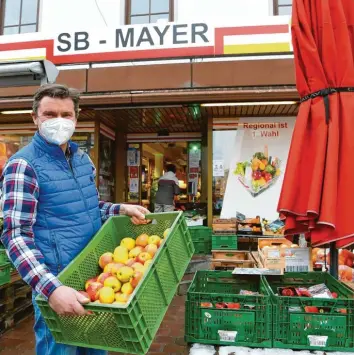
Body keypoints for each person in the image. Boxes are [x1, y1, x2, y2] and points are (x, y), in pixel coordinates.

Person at [0, 84, 149, 355]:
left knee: (96, 349)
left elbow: (86, 209)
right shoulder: (23, 166)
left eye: (66, 114)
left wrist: (119, 209)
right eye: (49, 114)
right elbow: (15, 234)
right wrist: (51, 289)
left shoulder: (82, 160)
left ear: (76, 118)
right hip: (58, 284)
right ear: (35, 118)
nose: (59, 121)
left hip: (95, 278)